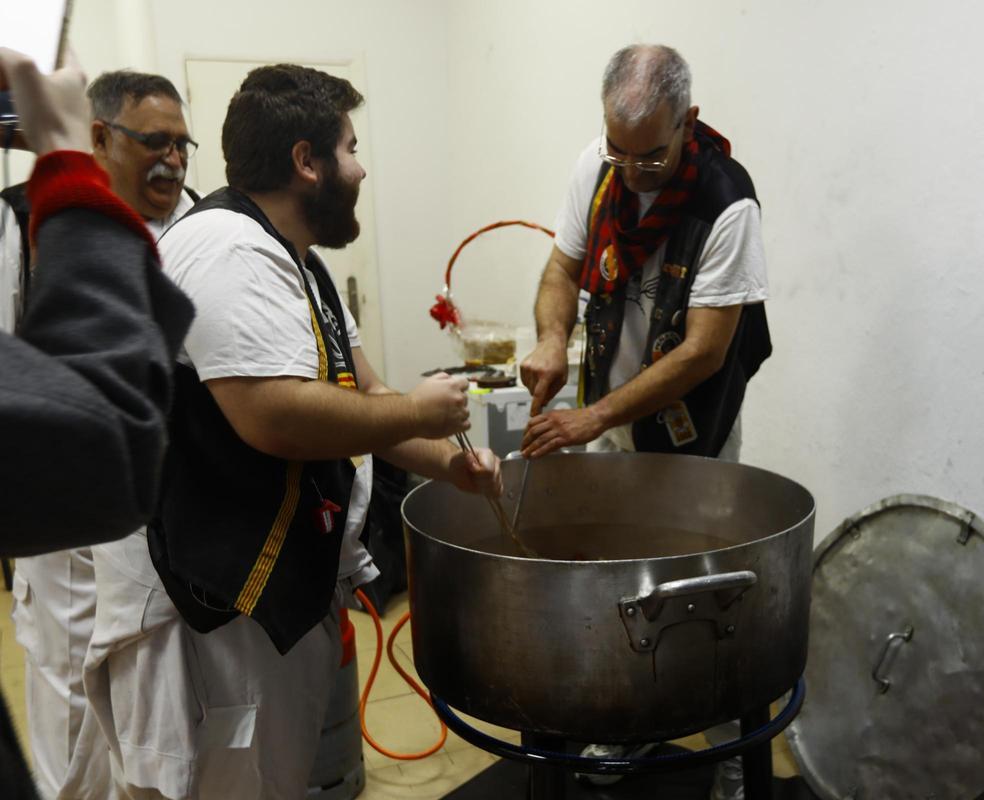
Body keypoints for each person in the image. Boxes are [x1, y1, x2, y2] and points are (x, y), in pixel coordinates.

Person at [83, 63, 501, 800]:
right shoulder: (228, 250)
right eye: (350, 148)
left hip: (251, 602)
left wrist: (449, 464)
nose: (361, 168)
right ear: (307, 161)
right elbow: (273, 415)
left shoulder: (296, 262)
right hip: (206, 613)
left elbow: (364, 396)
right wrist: (419, 411)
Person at [518, 44, 771, 800]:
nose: (631, 172)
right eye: (618, 151)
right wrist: (552, 338)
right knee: (618, 580)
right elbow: (562, 269)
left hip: (694, 431)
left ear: (687, 123)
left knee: (703, 596)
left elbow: (703, 352)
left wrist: (591, 416)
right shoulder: (598, 169)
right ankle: (631, 720)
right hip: (608, 416)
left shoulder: (727, 202)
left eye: (650, 156)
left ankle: (732, 756)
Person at [0, 47, 195, 799]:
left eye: (181, 143)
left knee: (145, 714)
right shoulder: (26, 218)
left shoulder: (201, 223)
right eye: (154, 142)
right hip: (58, 501)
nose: (172, 159)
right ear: (100, 137)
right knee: (66, 697)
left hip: (156, 515)